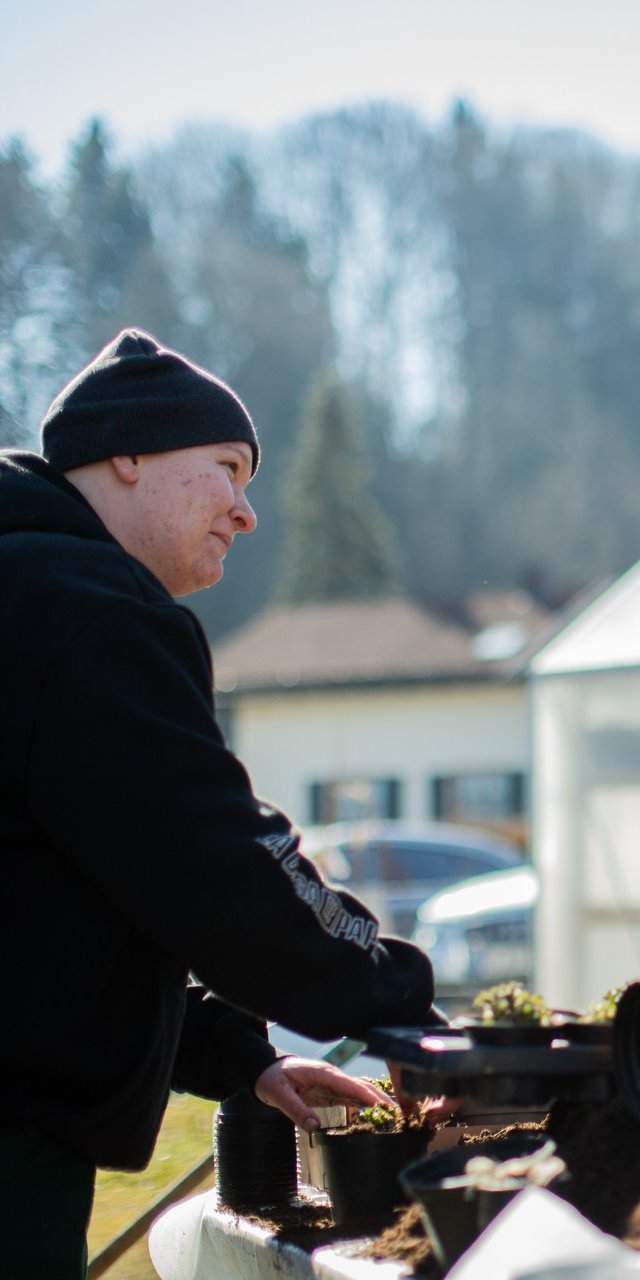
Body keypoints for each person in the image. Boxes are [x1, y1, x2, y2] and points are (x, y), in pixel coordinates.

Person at [0, 330, 441, 1277]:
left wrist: (240, 1056)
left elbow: (64, 898)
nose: (246, 513)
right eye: (228, 469)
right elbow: (214, 860)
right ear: (126, 454)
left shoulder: (27, 585)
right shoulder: (89, 611)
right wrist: (402, 1000)